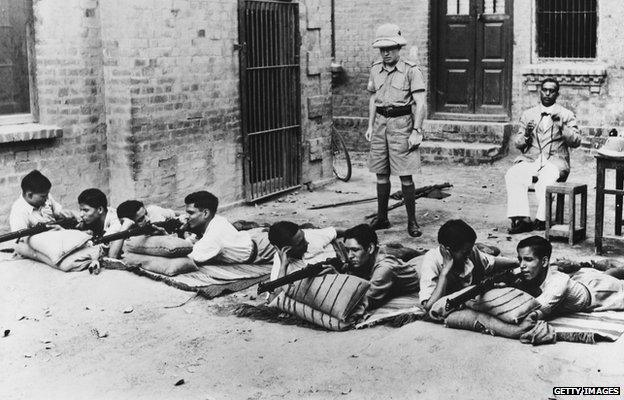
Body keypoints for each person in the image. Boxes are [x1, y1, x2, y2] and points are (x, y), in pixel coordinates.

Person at [365, 23, 426, 237]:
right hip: (381, 124)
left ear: (399, 48)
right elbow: (373, 97)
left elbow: (420, 102)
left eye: (390, 48)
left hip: (402, 125)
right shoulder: (375, 68)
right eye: (382, 49)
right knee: (381, 175)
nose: (386, 53)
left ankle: (412, 221)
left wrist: (417, 130)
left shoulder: (411, 70)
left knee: (405, 177)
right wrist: (370, 125)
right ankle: (382, 218)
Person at [505, 78, 582, 234]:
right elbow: (518, 144)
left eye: (551, 91)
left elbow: (576, 141)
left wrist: (563, 127)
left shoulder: (566, 114)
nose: (547, 93)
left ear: (557, 94)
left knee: (546, 179)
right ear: (540, 91)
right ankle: (523, 218)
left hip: (555, 161)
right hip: (531, 159)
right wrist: (526, 133)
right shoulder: (528, 114)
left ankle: (542, 219)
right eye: (545, 90)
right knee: (513, 174)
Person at [515, 236, 624, 319]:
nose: (522, 265)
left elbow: (536, 309)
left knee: (615, 282)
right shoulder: (538, 273)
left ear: (544, 261)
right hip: (580, 280)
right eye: (520, 259)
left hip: (597, 291)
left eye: (528, 260)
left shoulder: (558, 283)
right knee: (606, 274)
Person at [419, 219, 518, 311]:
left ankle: (484, 247)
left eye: (471, 249)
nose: (469, 254)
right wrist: (444, 273)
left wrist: (518, 262)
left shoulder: (471, 252)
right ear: (447, 250)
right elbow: (429, 306)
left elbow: (492, 263)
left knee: (493, 253)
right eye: (465, 252)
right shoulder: (431, 260)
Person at [183, 191, 275, 264]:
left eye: (191, 213)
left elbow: (189, 257)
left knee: (285, 244)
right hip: (250, 237)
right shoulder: (213, 220)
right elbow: (193, 241)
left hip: (263, 248)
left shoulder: (215, 234)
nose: (186, 216)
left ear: (206, 213)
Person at [343, 224, 419, 310]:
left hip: (424, 272)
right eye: (347, 250)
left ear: (370, 248)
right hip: (410, 263)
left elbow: (365, 301)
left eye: (355, 250)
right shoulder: (373, 255)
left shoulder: (384, 268)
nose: (349, 256)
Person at [267, 221, 343, 282]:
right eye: (300, 243)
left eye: (304, 237)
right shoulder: (281, 265)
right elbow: (275, 295)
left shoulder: (310, 235)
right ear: (286, 249)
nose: (307, 242)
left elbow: (335, 231)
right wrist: (283, 267)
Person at [9, 170, 75, 231]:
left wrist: (75, 214)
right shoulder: (18, 212)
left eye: (47, 195)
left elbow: (58, 212)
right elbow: (21, 240)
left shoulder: (45, 196)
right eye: (43, 196)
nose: (47, 199)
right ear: (29, 195)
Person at [76, 188, 123, 258]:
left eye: (85, 210)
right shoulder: (93, 217)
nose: (81, 214)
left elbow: (103, 249)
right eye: (81, 210)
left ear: (100, 210)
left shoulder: (115, 222)